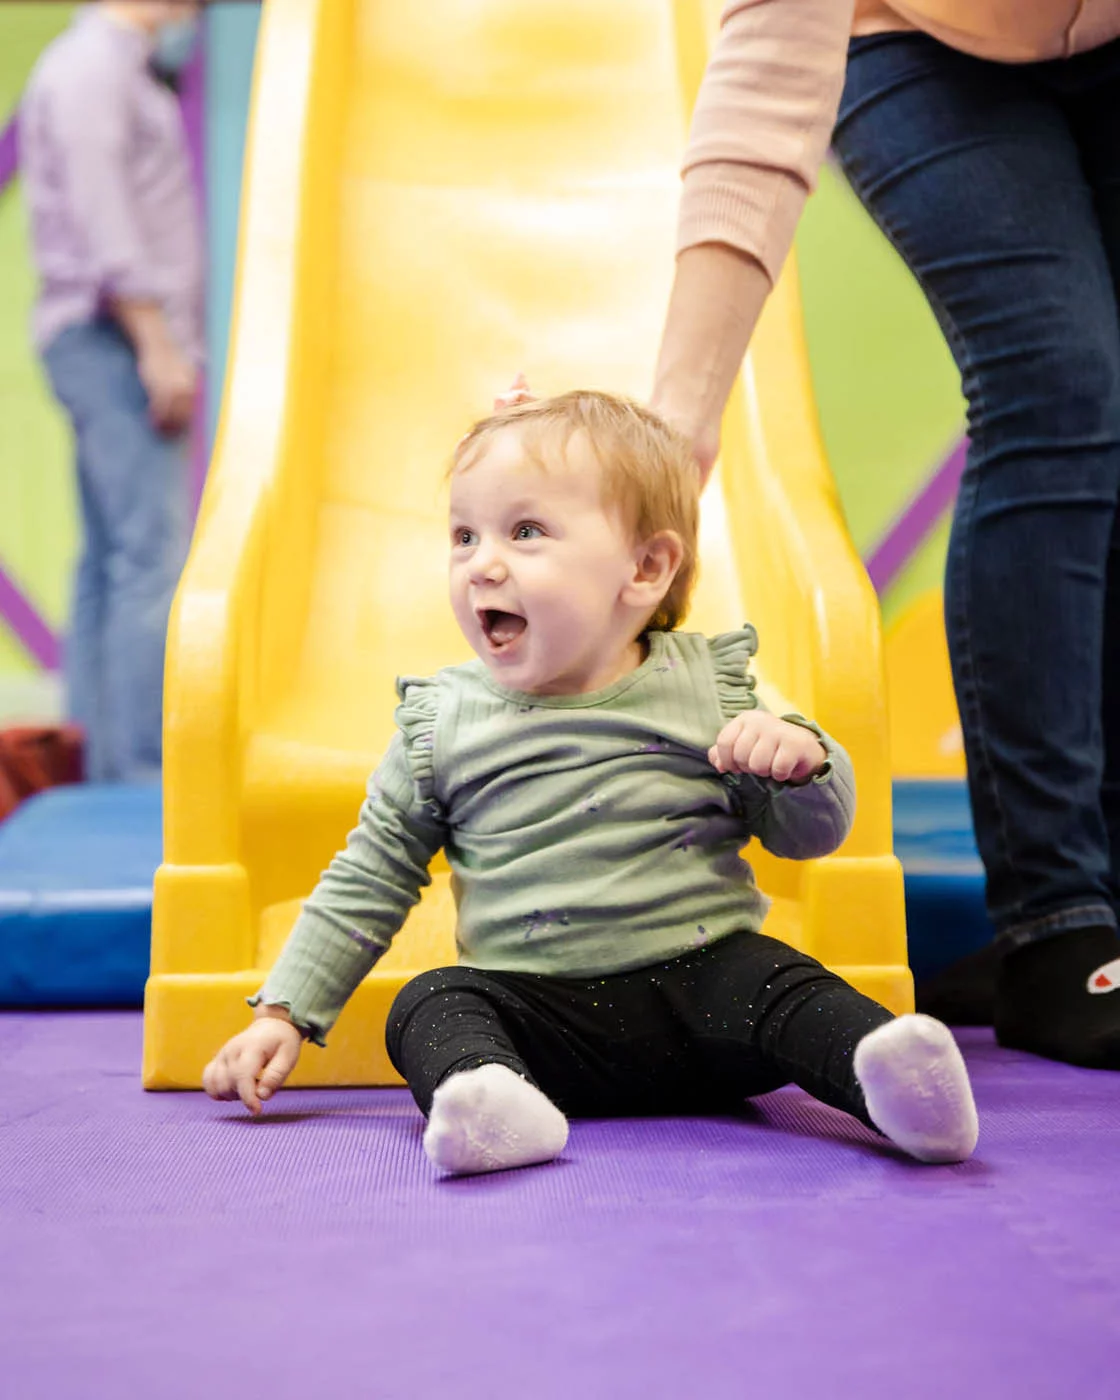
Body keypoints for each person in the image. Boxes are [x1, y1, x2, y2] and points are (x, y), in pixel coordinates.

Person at [203, 391, 979, 1176]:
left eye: (526, 531)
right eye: (464, 535)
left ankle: (892, 1085)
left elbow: (809, 836)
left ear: (644, 569)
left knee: (782, 980)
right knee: (429, 1003)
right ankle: (493, 1100)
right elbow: (370, 874)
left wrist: (802, 761)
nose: (483, 562)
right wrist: (284, 1012)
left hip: (709, 997)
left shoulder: (712, 688)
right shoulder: (445, 723)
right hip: (542, 1026)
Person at [649, 1, 1120, 1070]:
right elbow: (765, 90)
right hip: (907, 36)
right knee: (1055, 381)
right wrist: (680, 421)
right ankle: (1058, 920)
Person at [20, 1, 204, 782]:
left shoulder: (103, 66)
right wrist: (157, 344)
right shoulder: (97, 69)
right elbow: (106, 221)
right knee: (145, 556)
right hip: (117, 339)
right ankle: (137, 770)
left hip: (103, 336)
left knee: (107, 558)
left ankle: (99, 759)